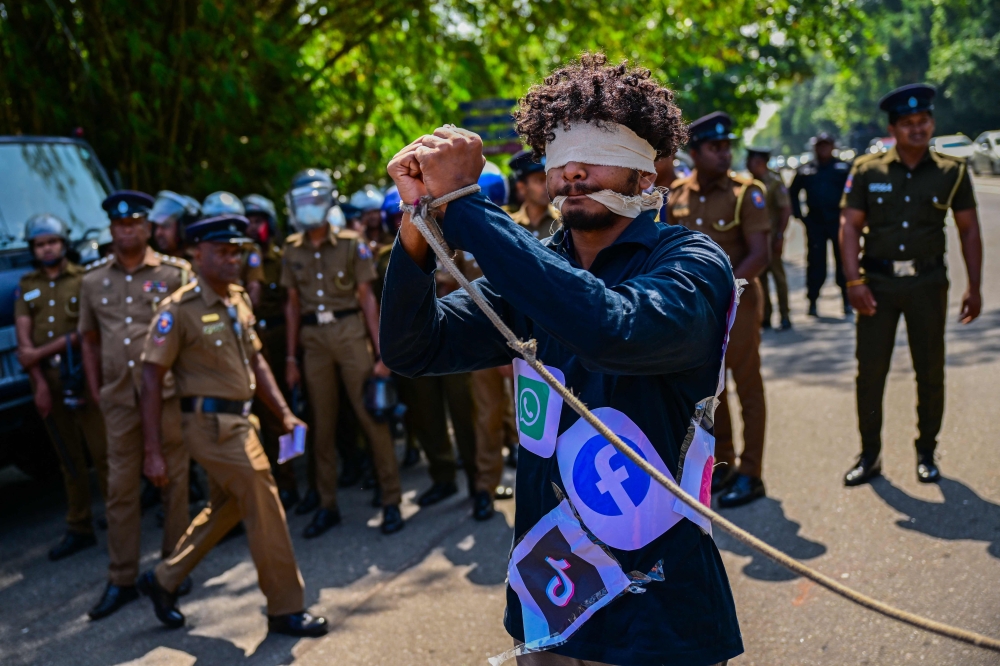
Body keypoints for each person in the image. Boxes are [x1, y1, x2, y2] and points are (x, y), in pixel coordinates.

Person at [382, 53, 739, 666]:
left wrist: (468, 206)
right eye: (558, 150)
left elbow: (610, 328)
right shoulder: (540, 271)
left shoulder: (692, 263)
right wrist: (420, 222)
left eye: (600, 149)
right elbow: (415, 348)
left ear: (649, 172)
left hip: (657, 606)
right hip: (554, 601)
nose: (573, 167)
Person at [136, 211, 327, 637]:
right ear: (197, 254)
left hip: (244, 423)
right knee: (265, 502)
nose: (231, 260)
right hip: (209, 427)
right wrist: (152, 451)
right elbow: (150, 377)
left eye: (236, 252)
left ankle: (164, 579)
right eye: (221, 252)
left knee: (229, 506)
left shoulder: (237, 297)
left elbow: (256, 360)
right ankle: (285, 608)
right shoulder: (178, 309)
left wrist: (283, 413)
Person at [840, 84, 982, 486]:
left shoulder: (952, 172)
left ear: (932, 123)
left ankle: (927, 452)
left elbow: (969, 230)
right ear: (893, 128)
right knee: (870, 372)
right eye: (908, 123)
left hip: (928, 283)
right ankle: (870, 455)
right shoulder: (868, 170)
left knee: (930, 370)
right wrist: (853, 280)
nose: (917, 129)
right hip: (877, 284)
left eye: (924, 121)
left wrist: (974, 286)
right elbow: (849, 226)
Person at [77, 191, 193, 619]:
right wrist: (97, 388)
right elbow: (88, 340)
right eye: (120, 225)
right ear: (111, 230)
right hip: (120, 401)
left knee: (175, 482)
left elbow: (190, 333)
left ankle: (173, 569)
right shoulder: (91, 281)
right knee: (120, 490)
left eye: (135, 224)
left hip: (166, 396)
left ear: (147, 228)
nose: (128, 230)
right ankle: (121, 578)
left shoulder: (174, 273)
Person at [282, 169, 404, 537]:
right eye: (301, 203)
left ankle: (391, 500)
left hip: (350, 332)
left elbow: (367, 298)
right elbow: (291, 305)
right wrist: (290, 358)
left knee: (372, 416)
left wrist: (382, 352)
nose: (308, 209)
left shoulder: (352, 244)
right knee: (322, 423)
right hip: (313, 339)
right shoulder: (290, 249)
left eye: (313, 201)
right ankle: (326, 504)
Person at [667, 112, 771, 508]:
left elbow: (760, 254)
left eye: (727, 146)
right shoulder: (676, 196)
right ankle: (724, 463)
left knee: (748, 386)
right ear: (694, 153)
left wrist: (722, 293)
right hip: (696, 310)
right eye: (715, 148)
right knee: (713, 389)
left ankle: (752, 472)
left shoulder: (747, 192)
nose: (724, 154)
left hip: (738, 307)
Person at [15, 214, 109, 561]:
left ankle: (119, 520)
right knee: (67, 458)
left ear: (64, 243)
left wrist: (37, 352)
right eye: (40, 244)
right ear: (33, 249)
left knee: (102, 452)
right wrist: (38, 382)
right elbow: (24, 344)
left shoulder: (84, 280)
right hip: (48, 381)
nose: (47, 248)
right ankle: (79, 526)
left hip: (84, 375)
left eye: (52, 242)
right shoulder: (26, 286)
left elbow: (87, 332)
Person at [242, 194, 300, 509]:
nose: (252, 227)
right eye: (247, 221)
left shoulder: (282, 258)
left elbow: (291, 304)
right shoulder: (234, 258)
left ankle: (288, 479)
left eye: (258, 221)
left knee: (280, 414)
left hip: (276, 340)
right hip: (248, 341)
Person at [789, 132, 852, 317]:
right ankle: (813, 300)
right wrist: (800, 216)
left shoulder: (843, 168)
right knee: (816, 263)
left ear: (833, 146)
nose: (823, 149)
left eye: (827, 145)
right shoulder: (806, 170)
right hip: (815, 223)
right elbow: (793, 193)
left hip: (838, 222)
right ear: (815, 147)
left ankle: (847, 300)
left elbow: (855, 193)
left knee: (843, 261)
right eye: (820, 145)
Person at [746, 146, 793, 330]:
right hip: (757, 242)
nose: (748, 165)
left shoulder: (773, 182)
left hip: (772, 239)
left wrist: (780, 235)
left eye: (751, 162)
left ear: (760, 162)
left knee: (778, 278)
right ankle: (765, 315)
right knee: (761, 279)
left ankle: (785, 315)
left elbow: (786, 209)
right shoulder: (750, 184)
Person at [507, 150, 561, 240]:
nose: (547, 186)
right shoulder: (509, 226)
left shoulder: (564, 222)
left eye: (549, 179)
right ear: (521, 188)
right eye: (540, 180)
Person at [149, 191, 200, 257]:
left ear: (184, 227)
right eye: (156, 226)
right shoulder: (152, 262)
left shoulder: (200, 263)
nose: (158, 233)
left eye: (165, 225)